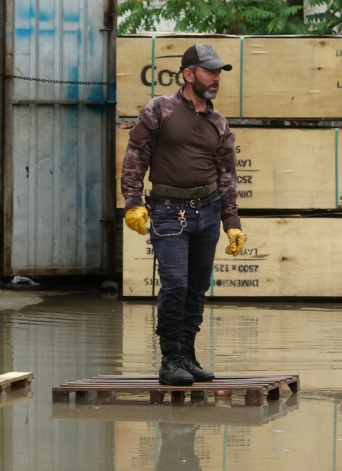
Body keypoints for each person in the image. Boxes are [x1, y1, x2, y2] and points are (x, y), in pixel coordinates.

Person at [120, 44, 246, 386]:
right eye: (210, 71)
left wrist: (231, 222)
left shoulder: (219, 123)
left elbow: (227, 176)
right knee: (175, 283)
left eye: (219, 72)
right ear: (189, 74)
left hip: (208, 212)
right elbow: (135, 158)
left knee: (196, 287)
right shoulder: (159, 110)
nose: (216, 77)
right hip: (168, 211)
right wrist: (133, 201)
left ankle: (187, 356)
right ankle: (169, 358)